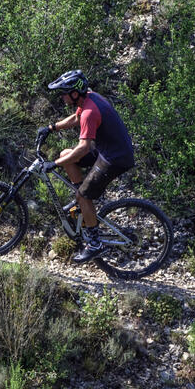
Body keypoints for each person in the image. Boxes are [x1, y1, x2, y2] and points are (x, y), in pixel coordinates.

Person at [37, 70, 135, 263]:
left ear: (75, 93)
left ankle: (95, 243)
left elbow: (83, 148)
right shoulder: (89, 98)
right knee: (66, 154)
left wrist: (53, 165)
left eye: (64, 93)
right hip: (108, 151)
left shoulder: (90, 111)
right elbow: (76, 118)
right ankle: (81, 202)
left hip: (115, 158)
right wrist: (51, 128)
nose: (62, 97)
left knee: (83, 194)